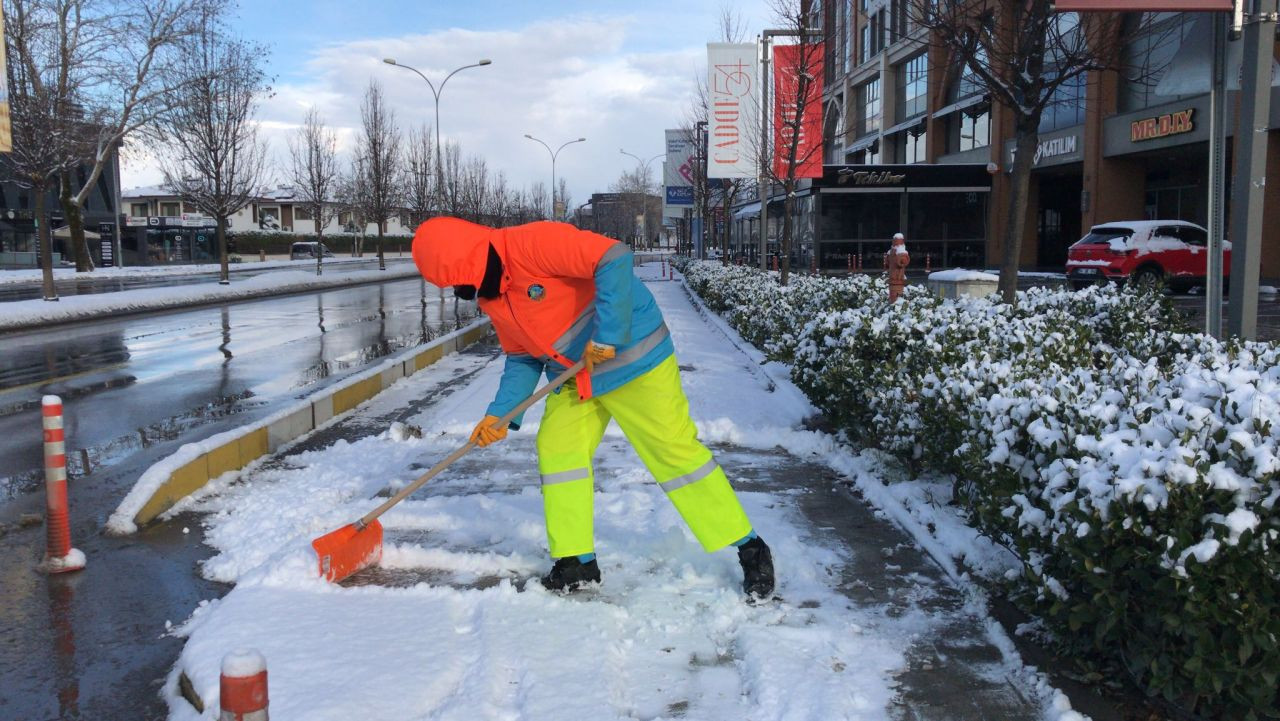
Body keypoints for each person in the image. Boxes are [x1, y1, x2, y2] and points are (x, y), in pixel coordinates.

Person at [411, 217, 775, 598]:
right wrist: (500, 414)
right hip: (577, 374)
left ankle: (749, 547)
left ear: (476, 257)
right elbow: (522, 356)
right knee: (558, 447)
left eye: (470, 280)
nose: (474, 291)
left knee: (673, 451)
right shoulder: (494, 297)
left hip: (634, 358)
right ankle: (576, 562)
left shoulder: (532, 244)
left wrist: (608, 336)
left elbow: (613, 257)